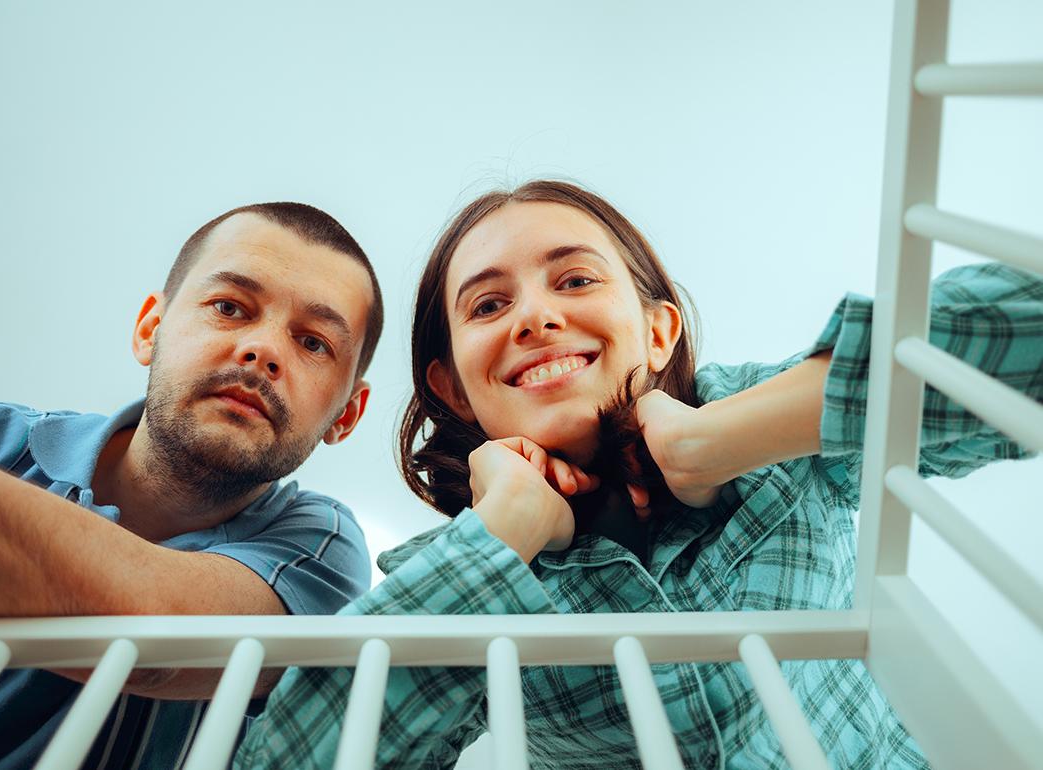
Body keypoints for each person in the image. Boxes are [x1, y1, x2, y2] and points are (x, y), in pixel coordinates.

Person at [235, 181, 1042, 769]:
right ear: (453, 389)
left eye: (576, 279)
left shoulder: (779, 440)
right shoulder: (468, 578)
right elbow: (287, 760)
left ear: (658, 334)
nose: (534, 318)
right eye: (486, 306)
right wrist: (501, 532)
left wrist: (721, 440)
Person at [0, 202, 383, 769]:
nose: (262, 352)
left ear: (346, 415)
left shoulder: (320, 544)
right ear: (150, 330)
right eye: (230, 307)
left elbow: (155, 638)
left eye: (313, 343)